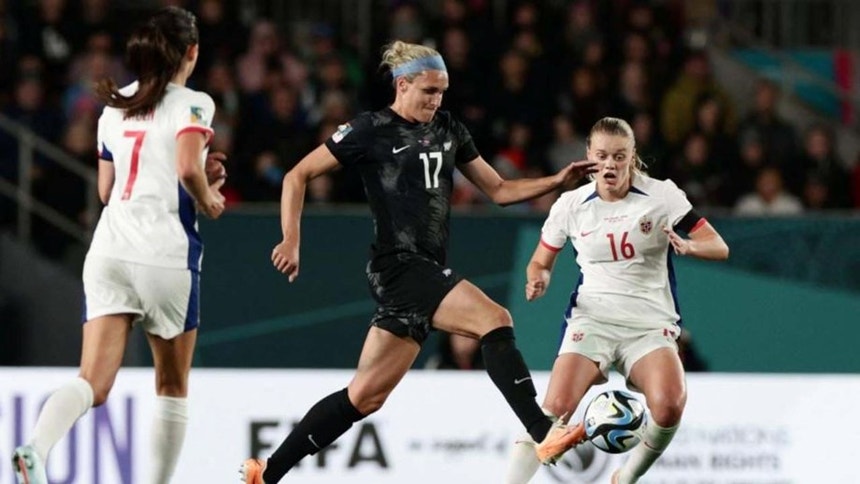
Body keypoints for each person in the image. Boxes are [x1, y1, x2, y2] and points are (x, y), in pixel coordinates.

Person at [239, 40, 597, 483]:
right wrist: (291, 239)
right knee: (496, 319)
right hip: (398, 267)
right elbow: (297, 175)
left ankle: (267, 473)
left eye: (442, 91)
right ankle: (543, 432)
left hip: (422, 271)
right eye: (428, 91)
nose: (436, 100)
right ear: (402, 84)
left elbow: (500, 190)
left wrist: (557, 181)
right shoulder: (369, 129)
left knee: (364, 397)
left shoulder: (449, 129)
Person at [12, 7, 225, 484]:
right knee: (171, 387)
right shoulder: (194, 103)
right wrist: (209, 198)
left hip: (109, 250)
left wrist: (189, 175)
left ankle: (36, 449)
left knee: (93, 381)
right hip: (165, 254)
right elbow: (188, 168)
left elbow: (107, 191)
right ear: (191, 52)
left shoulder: (114, 105)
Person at [505, 117, 729, 484]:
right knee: (553, 411)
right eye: (602, 156)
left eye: (619, 156)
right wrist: (538, 279)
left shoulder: (662, 197)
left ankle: (625, 477)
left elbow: (719, 246)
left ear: (632, 157)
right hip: (593, 320)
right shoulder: (570, 205)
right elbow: (540, 262)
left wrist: (690, 245)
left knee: (670, 404)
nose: (610, 165)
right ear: (588, 156)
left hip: (649, 324)